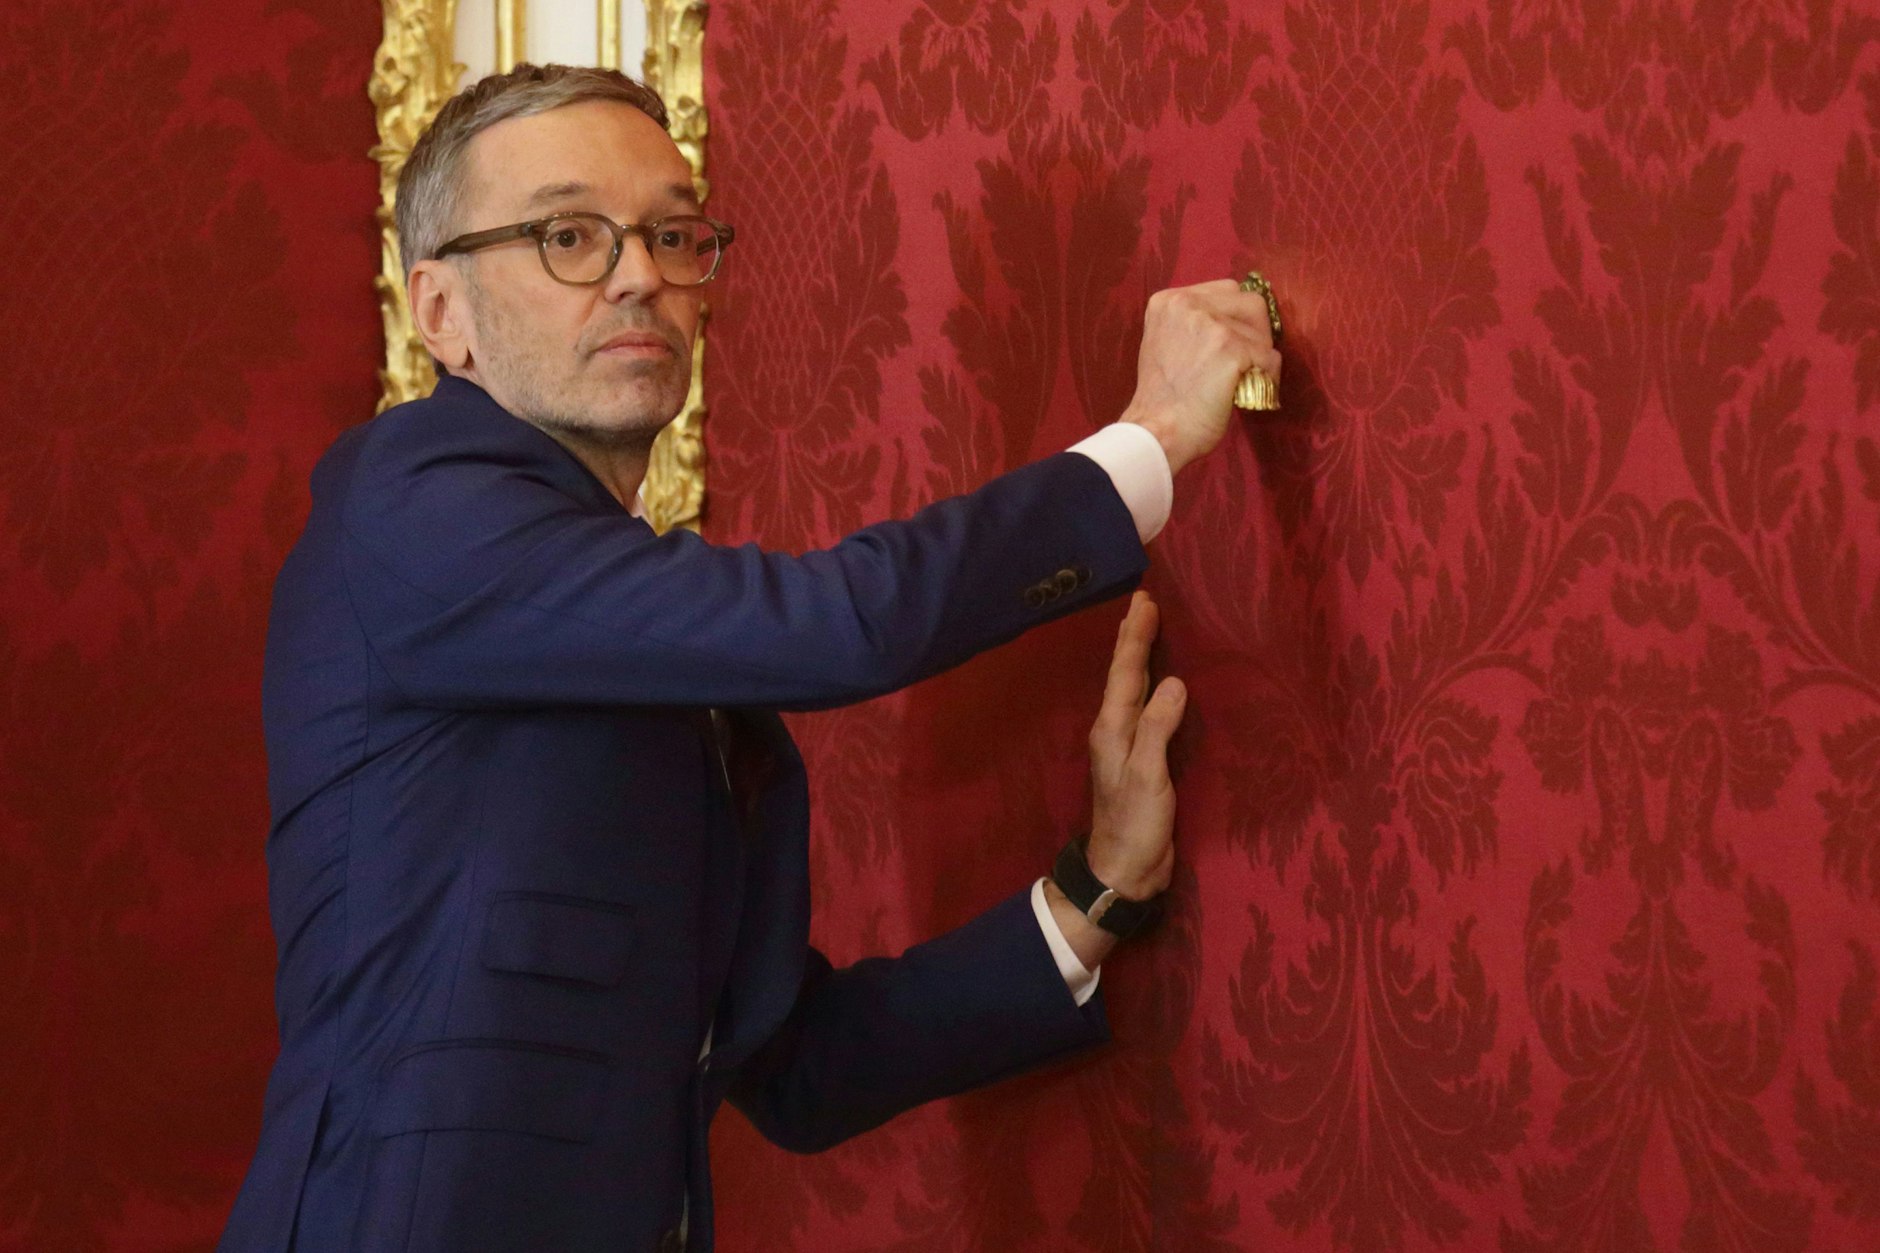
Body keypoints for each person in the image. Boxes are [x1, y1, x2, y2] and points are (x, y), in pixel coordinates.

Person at [218, 63, 1280, 1253]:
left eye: (673, 234)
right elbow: (843, 622)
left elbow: (789, 1063)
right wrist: (1149, 444)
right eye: (568, 234)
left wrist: (1092, 898)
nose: (640, 275)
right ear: (438, 310)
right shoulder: (407, 500)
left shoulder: (607, 616)